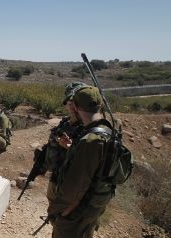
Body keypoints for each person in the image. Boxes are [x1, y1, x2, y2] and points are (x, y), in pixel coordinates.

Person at [47, 86, 114, 238]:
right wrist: (73, 149)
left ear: (76, 107)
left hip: (79, 209)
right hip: (96, 203)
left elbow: (75, 186)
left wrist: (56, 209)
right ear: (100, 105)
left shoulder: (90, 140)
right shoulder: (107, 131)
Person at [44, 82, 87, 203]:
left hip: (74, 184)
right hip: (57, 176)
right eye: (70, 103)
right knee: (53, 207)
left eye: (77, 103)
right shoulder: (64, 123)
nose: (73, 107)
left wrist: (72, 148)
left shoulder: (90, 128)